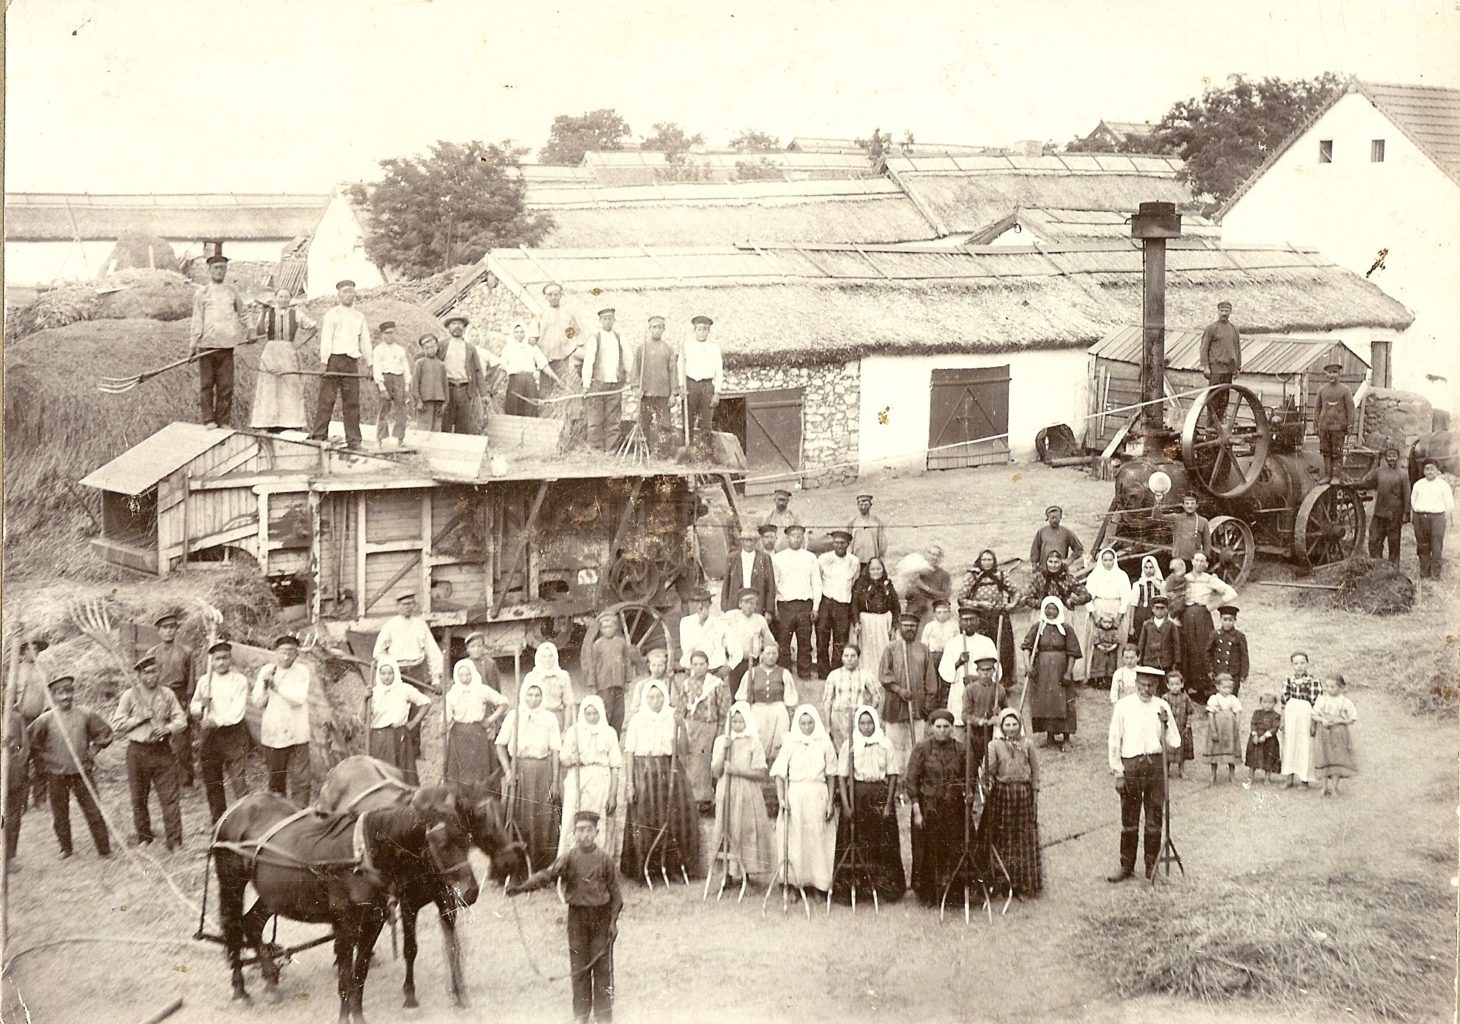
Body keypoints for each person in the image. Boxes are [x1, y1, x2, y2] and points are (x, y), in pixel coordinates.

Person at [506, 809, 622, 1024]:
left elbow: (616, 896)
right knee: (579, 968)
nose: (584, 835)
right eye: (580, 830)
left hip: (601, 919)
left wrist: (613, 922)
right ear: (574, 834)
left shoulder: (605, 860)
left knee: (603, 969)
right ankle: (581, 1015)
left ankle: (604, 1016)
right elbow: (547, 875)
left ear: (596, 832)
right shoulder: (569, 858)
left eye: (588, 830)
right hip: (577, 918)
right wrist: (522, 888)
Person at [1106, 666, 1181, 882]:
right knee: (1129, 818)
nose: (1146, 690)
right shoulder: (1123, 706)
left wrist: (1166, 725)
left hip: (1155, 765)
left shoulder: (1162, 705)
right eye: (1142, 685)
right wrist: (1118, 771)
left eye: (1150, 686)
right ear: (1136, 684)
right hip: (1131, 766)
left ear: (1157, 686)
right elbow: (1114, 739)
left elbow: (1174, 740)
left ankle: (1151, 865)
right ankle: (1126, 866)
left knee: (1154, 818)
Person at [620, 680, 700, 883]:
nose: (655, 701)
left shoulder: (672, 717)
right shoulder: (638, 720)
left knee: (674, 818)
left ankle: (672, 865)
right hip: (644, 772)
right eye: (651, 697)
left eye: (659, 697)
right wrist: (630, 784)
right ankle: (647, 867)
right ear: (645, 699)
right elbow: (629, 752)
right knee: (647, 820)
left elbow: (684, 749)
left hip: (669, 770)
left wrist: (681, 725)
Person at [28, 675, 113, 859]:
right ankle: (66, 849)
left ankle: (104, 849)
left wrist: (94, 750)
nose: (65, 696)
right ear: (53, 696)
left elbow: (105, 732)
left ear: (73, 692)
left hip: (82, 772)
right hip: (56, 775)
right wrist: (45, 762)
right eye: (60, 693)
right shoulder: (45, 720)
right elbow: (32, 744)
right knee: (60, 815)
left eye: (68, 691)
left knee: (93, 811)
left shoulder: (85, 714)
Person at [111, 655, 186, 851]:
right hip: (137, 751)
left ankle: (175, 841)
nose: (152, 676)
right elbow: (117, 724)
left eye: (155, 671)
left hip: (162, 751)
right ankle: (144, 837)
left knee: (170, 797)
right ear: (139, 675)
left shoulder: (167, 694)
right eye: (147, 672)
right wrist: (139, 719)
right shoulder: (130, 696)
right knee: (138, 796)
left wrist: (168, 728)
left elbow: (181, 720)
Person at [831, 706, 905, 904]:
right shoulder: (850, 745)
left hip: (879, 796)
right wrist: (846, 806)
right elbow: (842, 777)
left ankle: (883, 887)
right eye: (862, 723)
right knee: (856, 839)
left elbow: (892, 775)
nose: (866, 727)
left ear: (875, 723)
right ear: (857, 724)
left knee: (881, 841)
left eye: (869, 722)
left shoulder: (885, 744)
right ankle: (856, 887)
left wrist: (889, 803)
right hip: (857, 796)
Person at [769, 705, 838, 897]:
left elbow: (831, 774)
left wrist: (830, 801)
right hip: (796, 796)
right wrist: (782, 799)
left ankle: (818, 885)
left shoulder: (824, 742)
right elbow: (779, 773)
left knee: (817, 840)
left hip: (818, 794)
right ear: (798, 724)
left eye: (810, 723)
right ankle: (794, 885)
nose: (807, 727)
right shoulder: (791, 743)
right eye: (803, 723)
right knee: (796, 841)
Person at [496, 680, 563, 872]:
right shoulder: (513, 716)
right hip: (519, 770)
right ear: (523, 695)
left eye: (537, 695)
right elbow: (500, 745)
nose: (533, 699)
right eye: (530, 695)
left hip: (542, 771)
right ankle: (517, 866)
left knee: (543, 816)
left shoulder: (550, 718)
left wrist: (555, 780)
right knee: (517, 816)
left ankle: (542, 864)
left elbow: (556, 750)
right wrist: (508, 771)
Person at [904, 709, 966, 907]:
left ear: (952, 728)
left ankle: (952, 891)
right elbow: (911, 780)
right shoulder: (922, 748)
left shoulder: (961, 749)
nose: (942, 731)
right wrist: (916, 809)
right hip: (928, 807)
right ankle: (928, 893)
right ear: (931, 728)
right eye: (938, 727)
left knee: (952, 847)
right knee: (928, 850)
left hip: (953, 807)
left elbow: (967, 777)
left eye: (946, 727)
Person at [709, 702, 775, 885]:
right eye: (734, 721)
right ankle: (728, 873)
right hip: (726, 790)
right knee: (727, 827)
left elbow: (761, 773)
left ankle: (746, 870)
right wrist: (724, 750)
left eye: (741, 721)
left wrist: (737, 771)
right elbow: (715, 771)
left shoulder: (754, 741)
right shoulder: (722, 741)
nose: (737, 725)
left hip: (747, 791)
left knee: (745, 829)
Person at [981, 708, 1042, 898]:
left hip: (1023, 794)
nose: (1011, 728)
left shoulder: (1028, 744)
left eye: (1014, 724)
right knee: (1004, 837)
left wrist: (1035, 795)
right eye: (1007, 724)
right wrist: (987, 784)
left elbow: (1035, 771)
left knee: (1023, 838)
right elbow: (988, 771)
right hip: (1003, 795)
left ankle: (1023, 884)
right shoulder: (994, 745)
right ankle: (1003, 883)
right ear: (1001, 726)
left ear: (1020, 724)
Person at [190, 640, 251, 822]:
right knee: (213, 780)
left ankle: (245, 821)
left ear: (230, 659)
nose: (221, 662)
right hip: (210, 737)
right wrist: (202, 705)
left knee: (238, 781)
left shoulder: (239, 680)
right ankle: (219, 820)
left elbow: (237, 712)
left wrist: (215, 721)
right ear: (212, 661)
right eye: (217, 659)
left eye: (225, 658)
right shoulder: (204, 681)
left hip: (233, 733)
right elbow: (194, 706)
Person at [309, 279, 373, 449]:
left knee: (352, 402)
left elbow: (365, 341)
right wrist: (324, 361)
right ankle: (319, 435)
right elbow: (326, 339)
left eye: (351, 292)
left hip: (351, 362)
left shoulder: (359, 316)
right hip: (334, 361)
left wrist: (369, 362)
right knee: (326, 400)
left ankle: (354, 441)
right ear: (339, 295)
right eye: (344, 292)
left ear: (354, 294)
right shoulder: (331, 314)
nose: (348, 295)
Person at [558, 695, 624, 859]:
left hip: (601, 779)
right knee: (572, 820)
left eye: (595, 713)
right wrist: (573, 759)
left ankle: (600, 864)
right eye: (588, 713)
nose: (592, 717)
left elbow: (615, 765)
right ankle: (570, 862)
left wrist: (613, 793)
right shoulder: (574, 732)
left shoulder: (609, 733)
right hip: (578, 778)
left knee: (600, 820)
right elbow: (563, 759)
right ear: (583, 714)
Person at [250, 634, 312, 804]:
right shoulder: (267, 670)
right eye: (282, 652)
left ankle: (300, 813)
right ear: (275, 653)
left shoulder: (302, 671)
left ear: (297, 654)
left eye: (291, 652)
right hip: (274, 733)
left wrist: (276, 687)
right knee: (276, 780)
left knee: (301, 780)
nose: (286, 656)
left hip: (297, 733)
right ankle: (279, 815)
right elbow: (257, 702)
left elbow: (298, 699)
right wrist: (264, 687)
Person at [189, 254, 247, 427]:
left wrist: (250, 329)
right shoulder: (202, 293)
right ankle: (208, 420)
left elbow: (242, 312)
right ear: (209, 270)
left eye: (222, 268)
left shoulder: (232, 291)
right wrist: (193, 344)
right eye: (216, 268)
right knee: (207, 384)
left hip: (226, 345)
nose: (219, 271)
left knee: (226, 386)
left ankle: (223, 420)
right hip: (207, 345)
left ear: (226, 270)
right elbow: (197, 319)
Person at [879, 611, 938, 775]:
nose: (909, 629)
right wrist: (899, 690)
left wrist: (927, 706)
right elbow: (884, 675)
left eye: (913, 626)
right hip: (895, 707)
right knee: (894, 747)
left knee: (916, 746)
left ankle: (911, 780)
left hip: (917, 708)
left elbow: (931, 681)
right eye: (906, 626)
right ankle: (895, 782)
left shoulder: (924, 650)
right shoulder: (891, 648)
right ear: (899, 627)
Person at [249, 288, 315, 432]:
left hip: (288, 351)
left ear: (290, 299)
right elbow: (260, 331)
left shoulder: (296, 313)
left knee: (290, 384)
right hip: (271, 351)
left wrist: (297, 344)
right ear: (276, 298)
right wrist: (263, 312)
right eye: (281, 296)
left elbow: (313, 327)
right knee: (270, 385)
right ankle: (267, 423)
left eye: (286, 297)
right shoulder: (269, 313)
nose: (283, 299)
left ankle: (291, 422)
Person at [1022, 597, 1082, 749]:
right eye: (1048, 608)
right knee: (1046, 701)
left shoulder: (1066, 628)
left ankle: (1066, 737)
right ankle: (1050, 736)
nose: (1051, 612)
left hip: (1061, 669)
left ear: (1059, 610)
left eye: (1054, 609)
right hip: (1042, 671)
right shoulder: (1038, 627)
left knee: (1064, 701)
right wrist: (1028, 665)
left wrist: (1068, 671)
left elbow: (1073, 652)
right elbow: (1026, 647)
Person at [675, 652, 729, 812]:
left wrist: (720, 729)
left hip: (709, 726)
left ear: (707, 665)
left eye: (702, 664)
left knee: (705, 763)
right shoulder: (686, 684)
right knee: (691, 761)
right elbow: (681, 707)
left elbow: (724, 709)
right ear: (691, 666)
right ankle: (692, 798)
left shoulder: (716, 684)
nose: (699, 668)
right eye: (695, 664)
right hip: (691, 726)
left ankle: (705, 799)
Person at [1180, 552, 1238, 702]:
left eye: (1202, 561)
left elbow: (1231, 592)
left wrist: (1212, 606)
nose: (1199, 564)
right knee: (1188, 649)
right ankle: (1189, 686)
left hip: (1202, 617)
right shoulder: (1184, 578)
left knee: (1203, 649)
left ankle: (1204, 687)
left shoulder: (1210, 579)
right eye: (1196, 560)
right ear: (1192, 561)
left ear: (1206, 564)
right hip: (1185, 616)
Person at [444, 659, 508, 790]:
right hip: (458, 734)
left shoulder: (481, 689)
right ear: (457, 675)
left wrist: (490, 720)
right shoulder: (452, 694)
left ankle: (480, 801)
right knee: (459, 771)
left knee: (479, 771)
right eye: (461, 675)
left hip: (478, 733)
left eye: (467, 674)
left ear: (473, 673)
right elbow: (446, 717)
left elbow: (504, 703)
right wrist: (444, 723)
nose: (465, 678)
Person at [148, 613, 196, 789]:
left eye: (172, 628)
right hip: (159, 697)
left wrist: (189, 704)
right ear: (159, 631)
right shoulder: (152, 653)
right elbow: (147, 679)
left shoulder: (186, 652)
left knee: (181, 741)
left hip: (179, 696)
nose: (168, 631)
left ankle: (186, 780)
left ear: (176, 630)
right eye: (165, 628)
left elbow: (191, 680)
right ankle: (163, 778)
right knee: (159, 738)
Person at [957, 550, 1019, 683]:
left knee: (1002, 649)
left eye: (990, 560)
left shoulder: (1000, 575)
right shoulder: (972, 576)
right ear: (979, 561)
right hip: (980, 619)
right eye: (984, 560)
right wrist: (979, 604)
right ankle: (978, 680)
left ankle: (1002, 681)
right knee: (982, 649)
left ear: (994, 561)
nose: (987, 563)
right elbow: (962, 599)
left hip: (999, 618)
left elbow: (1015, 592)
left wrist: (1012, 604)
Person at [367, 659, 432, 784]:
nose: (386, 677)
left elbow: (426, 702)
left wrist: (414, 722)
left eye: (390, 673)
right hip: (379, 737)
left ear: (395, 673)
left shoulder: (404, 689)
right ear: (378, 675)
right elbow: (363, 717)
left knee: (403, 772)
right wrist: (365, 699)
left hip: (400, 735)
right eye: (383, 673)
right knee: (382, 772)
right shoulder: (373, 692)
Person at [735, 643, 798, 765]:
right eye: (768, 653)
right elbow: (742, 697)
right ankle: (759, 769)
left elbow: (790, 698)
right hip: (758, 710)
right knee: (759, 740)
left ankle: (775, 772)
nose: (771, 656)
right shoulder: (752, 673)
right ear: (761, 655)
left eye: (774, 653)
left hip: (778, 710)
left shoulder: (784, 673)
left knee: (779, 741)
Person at [771, 525, 820, 678]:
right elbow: (774, 584)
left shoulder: (810, 558)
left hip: (805, 605)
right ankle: (784, 674)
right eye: (793, 535)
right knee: (784, 641)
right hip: (785, 605)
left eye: (799, 536)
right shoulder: (778, 558)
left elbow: (816, 583)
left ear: (803, 538)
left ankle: (804, 673)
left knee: (805, 642)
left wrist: (816, 607)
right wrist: (775, 607)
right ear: (787, 537)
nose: (796, 538)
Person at [11, 637, 54, 808]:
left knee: (41, 759)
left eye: (36, 649)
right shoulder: (16, 671)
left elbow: (49, 693)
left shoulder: (44, 670)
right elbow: (10, 695)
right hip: (21, 720)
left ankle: (40, 799)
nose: (34, 651)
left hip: (40, 718)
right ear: (22, 653)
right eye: (30, 649)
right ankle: (20, 802)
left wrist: (49, 711)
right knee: (21, 760)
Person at [372, 593, 444, 690]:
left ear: (414, 605)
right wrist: (391, 666)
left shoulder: (420, 625)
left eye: (410, 604)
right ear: (397, 606)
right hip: (397, 673)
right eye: (404, 604)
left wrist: (436, 680)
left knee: (419, 702)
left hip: (416, 672)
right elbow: (378, 653)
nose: (408, 607)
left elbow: (433, 652)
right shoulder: (390, 625)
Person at [940, 609, 1000, 721]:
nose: (969, 623)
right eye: (965, 620)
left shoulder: (986, 642)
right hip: (959, 690)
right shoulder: (952, 643)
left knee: (982, 724)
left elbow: (997, 671)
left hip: (983, 692)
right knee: (961, 723)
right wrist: (958, 662)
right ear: (959, 622)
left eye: (972, 620)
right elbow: (944, 671)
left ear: (978, 621)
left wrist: (977, 679)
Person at [581, 308, 627, 451]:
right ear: (600, 321)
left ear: (614, 320)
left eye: (610, 318)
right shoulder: (595, 337)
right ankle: (595, 449)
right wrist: (586, 383)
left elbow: (627, 358)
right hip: (597, 385)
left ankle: (611, 449)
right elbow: (588, 361)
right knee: (595, 418)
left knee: (613, 420)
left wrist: (630, 379)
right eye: (605, 319)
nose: (608, 321)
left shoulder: (618, 337)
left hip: (614, 385)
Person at [816, 530, 860, 678]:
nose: (840, 546)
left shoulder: (854, 561)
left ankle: (836, 672)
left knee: (840, 641)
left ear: (848, 544)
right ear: (832, 543)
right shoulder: (824, 559)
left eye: (843, 543)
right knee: (822, 639)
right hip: (826, 602)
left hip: (843, 605)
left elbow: (854, 583)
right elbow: (818, 581)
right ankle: (823, 673)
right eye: (837, 542)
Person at [633, 315, 679, 455]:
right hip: (646, 394)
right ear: (649, 329)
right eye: (654, 327)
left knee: (664, 425)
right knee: (643, 424)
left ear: (664, 329)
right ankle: (643, 451)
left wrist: (673, 393)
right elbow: (635, 369)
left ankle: (662, 453)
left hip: (663, 394)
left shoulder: (668, 349)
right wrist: (636, 387)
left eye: (660, 327)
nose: (657, 330)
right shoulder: (642, 348)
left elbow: (673, 372)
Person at [822, 644, 881, 754]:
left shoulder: (866, 675)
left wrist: (867, 712)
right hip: (838, 718)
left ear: (858, 657)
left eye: (853, 656)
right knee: (842, 751)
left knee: (858, 750)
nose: (849, 659)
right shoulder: (834, 675)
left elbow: (876, 696)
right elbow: (827, 702)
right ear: (842, 657)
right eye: (846, 656)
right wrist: (828, 725)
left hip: (858, 718)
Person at [851, 557, 900, 689]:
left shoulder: (887, 584)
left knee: (883, 649)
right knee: (866, 651)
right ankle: (867, 678)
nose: (876, 572)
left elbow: (896, 606)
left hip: (883, 623)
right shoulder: (860, 583)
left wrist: (894, 627)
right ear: (868, 570)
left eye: (879, 569)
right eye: (873, 569)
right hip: (866, 623)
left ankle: (883, 678)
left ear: (883, 569)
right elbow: (854, 604)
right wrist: (856, 622)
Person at [1083, 547, 1130, 679]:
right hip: (1098, 608)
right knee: (1096, 641)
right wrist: (1095, 615)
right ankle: (1093, 674)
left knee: (1117, 640)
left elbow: (1126, 597)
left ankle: (1117, 674)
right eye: (1105, 560)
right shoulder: (1094, 575)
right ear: (1101, 561)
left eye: (1110, 560)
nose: (1108, 563)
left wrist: (1119, 617)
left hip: (1116, 608)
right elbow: (1087, 597)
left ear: (1114, 560)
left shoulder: (1122, 575)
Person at [501, 320, 565, 418]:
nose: (519, 335)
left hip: (529, 383)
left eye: (522, 332)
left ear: (525, 333)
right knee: (513, 411)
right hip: (514, 383)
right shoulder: (507, 349)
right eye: (516, 332)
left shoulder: (532, 348)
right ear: (512, 333)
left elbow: (544, 365)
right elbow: (502, 368)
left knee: (530, 410)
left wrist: (557, 379)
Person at [680, 314, 722, 459]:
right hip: (691, 384)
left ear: (708, 331)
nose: (702, 332)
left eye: (705, 329)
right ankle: (688, 449)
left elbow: (719, 370)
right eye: (699, 329)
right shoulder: (687, 346)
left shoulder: (714, 348)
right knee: (688, 418)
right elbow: (681, 367)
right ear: (694, 330)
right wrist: (681, 386)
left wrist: (717, 392)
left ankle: (704, 453)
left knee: (706, 420)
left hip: (707, 386)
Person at [585, 611, 634, 734]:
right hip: (604, 685)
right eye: (605, 627)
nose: (608, 630)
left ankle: (615, 739)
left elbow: (626, 661)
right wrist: (593, 685)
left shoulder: (621, 642)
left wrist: (627, 681)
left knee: (619, 713)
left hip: (619, 683)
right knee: (606, 712)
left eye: (610, 626)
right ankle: (604, 737)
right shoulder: (597, 645)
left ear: (616, 627)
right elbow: (593, 665)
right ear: (601, 629)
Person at [440, 314, 489, 435]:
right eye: (453, 324)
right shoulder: (441, 345)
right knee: (445, 423)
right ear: (448, 328)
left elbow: (478, 372)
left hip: (464, 390)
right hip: (447, 390)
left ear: (464, 327)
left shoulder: (470, 348)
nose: (457, 327)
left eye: (460, 324)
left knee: (463, 425)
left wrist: (484, 394)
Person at [1310, 675, 1358, 797]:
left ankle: (1334, 788)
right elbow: (1314, 714)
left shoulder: (1345, 701)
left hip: (1338, 733)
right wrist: (1322, 719)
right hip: (1323, 732)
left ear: (1341, 688)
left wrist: (1339, 721)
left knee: (1337, 758)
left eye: (1332, 686)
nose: (1329, 689)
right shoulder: (1321, 699)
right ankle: (1324, 787)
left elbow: (1352, 718)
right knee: (1324, 757)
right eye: (1327, 686)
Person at [1279, 652, 1321, 789]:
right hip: (1291, 714)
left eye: (1302, 663)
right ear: (1292, 665)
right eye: (1296, 663)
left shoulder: (1313, 681)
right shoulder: (1288, 680)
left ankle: (1304, 780)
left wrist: (1314, 723)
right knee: (1289, 744)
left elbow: (1317, 704)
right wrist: (1283, 721)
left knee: (1304, 745)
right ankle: (1289, 778)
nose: (1299, 666)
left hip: (1306, 714)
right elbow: (1284, 703)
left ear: (1307, 663)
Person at [722, 589, 775, 696]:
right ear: (740, 603)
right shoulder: (731, 617)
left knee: (751, 692)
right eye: (746, 603)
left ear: (756, 605)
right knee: (736, 693)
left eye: (752, 603)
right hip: (735, 662)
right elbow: (720, 634)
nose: (749, 606)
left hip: (752, 661)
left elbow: (769, 642)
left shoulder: (760, 620)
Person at [676, 589, 738, 680]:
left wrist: (730, 666)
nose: (700, 606)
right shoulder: (686, 622)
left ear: (710, 603)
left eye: (704, 602)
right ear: (693, 604)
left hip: (716, 671)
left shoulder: (720, 623)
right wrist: (702, 624)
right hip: (694, 672)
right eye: (697, 602)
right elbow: (686, 648)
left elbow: (736, 648)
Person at [1362, 447, 1410, 563]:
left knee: (1394, 540)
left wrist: (1406, 513)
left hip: (1395, 513)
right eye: (1389, 456)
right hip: (1379, 511)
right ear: (1385, 457)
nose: (1392, 458)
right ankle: (1377, 563)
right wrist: (1352, 484)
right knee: (1374, 538)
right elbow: (1367, 483)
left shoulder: (1403, 474)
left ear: (1398, 458)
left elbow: (1407, 494)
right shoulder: (1379, 471)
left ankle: (1393, 567)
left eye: (1394, 456)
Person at [959, 655, 1006, 772]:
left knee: (992, 766)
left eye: (989, 670)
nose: (986, 673)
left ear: (994, 671)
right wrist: (979, 721)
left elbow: (1007, 713)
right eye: (983, 670)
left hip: (992, 733)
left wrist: (999, 714)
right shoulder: (970, 689)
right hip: (974, 734)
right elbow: (965, 715)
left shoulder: (999, 690)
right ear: (977, 671)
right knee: (972, 766)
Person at [533, 282, 584, 389]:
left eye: (556, 294)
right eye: (550, 295)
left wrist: (572, 349)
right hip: (545, 358)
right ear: (546, 297)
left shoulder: (568, 313)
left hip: (563, 357)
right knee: (546, 388)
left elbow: (577, 332)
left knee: (562, 386)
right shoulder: (541, 313)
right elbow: (533, 334)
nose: (553, 297)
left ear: (561, 295)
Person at [369, 320, 412, 446]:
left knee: (401, 408)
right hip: (385, 379)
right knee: (383, 408)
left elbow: (406, 367)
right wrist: (381, 387)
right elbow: (376, 369)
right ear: (382, 335)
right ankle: (380, 438)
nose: (389, 336)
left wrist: (407, 385)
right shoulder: (378, 350)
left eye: (391, 333)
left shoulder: (400, 350)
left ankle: (400, 438)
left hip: (398, 380)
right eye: (387, 333)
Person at [1313, 362, 1356, 483]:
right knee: (1326, 452)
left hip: (1339, 428)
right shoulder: (1322, 390)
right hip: (1324, 428)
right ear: (1326, 374)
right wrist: (1315, 425)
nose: (1333, 375)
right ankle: (1328, 476)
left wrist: (1350, 426)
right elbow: (1317, 409)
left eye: (1335, 372)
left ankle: (1336, 476)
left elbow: (1351, 409)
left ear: (1339, 374)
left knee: (1337, 452)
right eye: (1330, 372)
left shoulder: (1345, 390)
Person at [1199, 299, 1242, 421]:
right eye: (1222, 310)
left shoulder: (1234, 329)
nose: (1224, 313)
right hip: (1216, 369)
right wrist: (1206, 366)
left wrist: (1237, 367)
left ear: (1230, 312)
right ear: (1218, 311)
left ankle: (1220, 423)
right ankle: (1211, 424)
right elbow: (1204, 348)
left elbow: (1237, 348)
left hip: (1228, 369)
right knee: (1213, 398)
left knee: (1224, 399)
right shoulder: (1211, 328)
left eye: (1226, 310)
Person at [1411, 459, 1454, 580]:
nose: (1430, 471)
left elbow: (1449, 503)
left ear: (1437, 470)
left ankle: (1435, 574)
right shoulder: (1418, 484)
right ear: (1423, 471)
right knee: (1422, 545)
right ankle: (1424, 573)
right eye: (1427, 469)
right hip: (1420, 517)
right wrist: (1418, 514)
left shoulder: (1443, 485)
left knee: (1436, 546)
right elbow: (1413, 502)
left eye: (1432, 468)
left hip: (1437, 517)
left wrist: (1442, 517)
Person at [721, 528, 776, 622]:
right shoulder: (732, 558)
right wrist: (724, 608)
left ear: (756, 541)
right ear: (741, 541)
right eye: (746, 540)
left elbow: (770, 586)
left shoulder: (764, 558)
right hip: (735, 604)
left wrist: (769, 610)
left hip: (757, 604)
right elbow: (726, 584)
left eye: (752, 540)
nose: (749, 544)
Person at [523, 641, 577, 730]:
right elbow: (524, 704)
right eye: (544, 656)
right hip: (537, 718)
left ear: (555, 657)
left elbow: (569, 704)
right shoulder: (531, 677)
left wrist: (566, 729)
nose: (547, 660)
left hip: (557, 718)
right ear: (539, 658)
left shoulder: (563, 675)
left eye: (550, 656)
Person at [895, 545, 951, 625]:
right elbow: (907, 595)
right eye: (931, 553)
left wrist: (924, 587)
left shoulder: (944, 575)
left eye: (937, 555)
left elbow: (944, 596)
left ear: (940, 558)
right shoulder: (915, 571)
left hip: (931, 611)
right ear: (925, 555)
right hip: (914, 609)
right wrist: (910, 583)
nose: (933, 557)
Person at [1204, 675, 1242, 784]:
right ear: (1217, 687)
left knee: (1231, 750)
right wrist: (1213, 730)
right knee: (1215, 749)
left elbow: (1238, 713)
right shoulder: (1214, 699)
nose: (1227, 690)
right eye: (1224, 687)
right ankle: (1213, 774)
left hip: (1230, 729)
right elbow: (1211, 715)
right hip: (1218, 727)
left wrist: (1236, 728)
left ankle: (1232, 775)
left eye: (1230, 688)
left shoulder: (1233, 699)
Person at [3, 692, 27, 865]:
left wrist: (13, 749)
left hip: (14, 773)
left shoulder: (16, 718)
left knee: (13, 816)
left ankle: (9, 857)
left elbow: (24, 746)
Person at [1207, 605, 1250, 697]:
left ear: (1235, 621)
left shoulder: (1239, 636)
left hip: (1233, 673)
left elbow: (1244, 656)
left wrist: (1243, 674)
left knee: (1232, 696)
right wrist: (1210, 670)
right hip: (1218, 672)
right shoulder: (1215, 635)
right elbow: (1208, 654)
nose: (1227, 623)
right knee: (1217, 696)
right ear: (1220, 620)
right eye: (1225, 620)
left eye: (1231, 620)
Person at [1135, 596, 1181, 679]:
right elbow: (1142, 644)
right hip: (1149, 661)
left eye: (1162, 608)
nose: (1159, 611)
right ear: (1152, 609)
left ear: (1166, 609)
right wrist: (1139, 659)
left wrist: (1176, 662)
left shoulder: (1171, 625)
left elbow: (1176, 644)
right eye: (1157, 608)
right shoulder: (1147, 624)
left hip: (1165, 662)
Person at [626, 648, 673, 727]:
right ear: (649, 666)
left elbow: (673, 703)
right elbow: (634, 706)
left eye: (660, 665)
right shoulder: (641, 684)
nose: (657, 669)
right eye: (654, 665)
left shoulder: (668, 683)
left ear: (665, 666)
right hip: (646, 720)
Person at [1029, 505, 1084, 570]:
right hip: (1044, 569)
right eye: (1052, 518)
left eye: (1056, 518)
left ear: (1060, 518)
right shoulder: (1041, 532)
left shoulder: (1067, 532)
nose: (1054, 520)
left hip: (1060, 570)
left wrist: (1070, 559)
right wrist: (1034, 564)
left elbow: (1079, 548)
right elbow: (1035, 550)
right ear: (1047, 518)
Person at [1163, 493, 1211, 565]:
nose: (1190, 506)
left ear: (1197, 505)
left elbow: (1207, 543)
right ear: (1183, 505)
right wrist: (1157, 501)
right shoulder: (1176, 518)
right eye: (1187, 503)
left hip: (1195, 561)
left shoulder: (1203, 522)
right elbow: (1157, 516)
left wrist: (1205, 560)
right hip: (1178, 559)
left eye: (1192, 503)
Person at [413, 334, 448, 432]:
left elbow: (445, 385)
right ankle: (421, 446)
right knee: (424, 428)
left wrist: (445, 403)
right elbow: (415, 383)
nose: (430, 350)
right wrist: (418, 400)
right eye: (427, 348)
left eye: (432, 347)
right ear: (423, 350)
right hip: (425, 402)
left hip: (439, 402)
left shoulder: (441, 365)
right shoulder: (420, 363)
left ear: (437, 347)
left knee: (437, 427)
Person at [1245, 693, 1282, 785]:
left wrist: (1265, 736)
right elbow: (1253, 724)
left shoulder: (1276, 715)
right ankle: (1250, 778)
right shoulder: (1257, 713)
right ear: (1260, 703)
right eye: (1264, 702)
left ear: (1274, 704)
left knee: (1269, 758)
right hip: (1256, 739)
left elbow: (1274, 728)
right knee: (1253, 758)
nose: (1267, 705)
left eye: (1270, 703)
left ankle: (1267, 778)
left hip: (1269, 740)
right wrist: (1255, 735)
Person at [1163, 671, 1194, 778]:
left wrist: (1188, 725)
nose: (1175, 687)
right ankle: (1166, 770)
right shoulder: (1165, 698)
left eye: (1177, 684)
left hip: (1182, 728)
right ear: (1167, 685)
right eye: (1172, 684)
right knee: (1167, 750)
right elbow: (1162, 713)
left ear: (1182, 684)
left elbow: (1190, 712)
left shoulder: (1185, 698)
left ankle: (1181, 770)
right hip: (1169, 728)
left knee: (1182, 750)